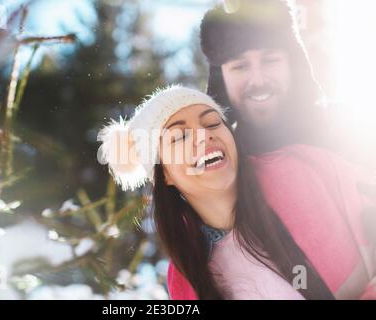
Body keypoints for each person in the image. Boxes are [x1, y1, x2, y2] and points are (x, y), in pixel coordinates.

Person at [97, 85, 375, 299]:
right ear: (164, 174)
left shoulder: (299, 168)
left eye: (212, 123)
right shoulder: (188, 277)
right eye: (180, 136)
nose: (204, 135)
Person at [200, 0, 331, 156]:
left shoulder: (349, 132)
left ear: (293, 65)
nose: (258, 80)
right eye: (240, 66)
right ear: (221, 79)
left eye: (270, 61)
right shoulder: (216, 162)